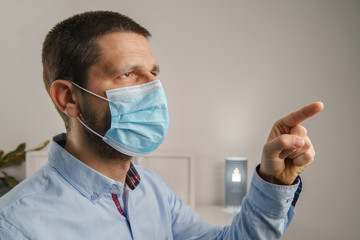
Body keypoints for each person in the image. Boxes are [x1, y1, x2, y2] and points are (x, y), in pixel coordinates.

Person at [0, 11, 324, 240]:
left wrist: (274, 181)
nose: (153, 89)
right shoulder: (16, 225)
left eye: (153, 73)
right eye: (128, 74)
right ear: (68, 98)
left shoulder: (151, 189)